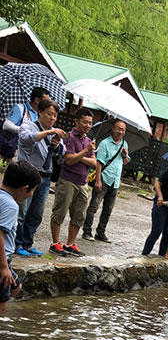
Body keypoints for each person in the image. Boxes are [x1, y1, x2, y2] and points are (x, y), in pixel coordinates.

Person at [15, 99, 66, 257]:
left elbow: (62, 152)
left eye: (55, 115)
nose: (52, 118)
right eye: (49, 114)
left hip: (45, 177)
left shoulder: (56, 133)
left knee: (36, 213)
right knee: (21, 211)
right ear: (40, 112)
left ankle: (28, 244)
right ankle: (16, 245)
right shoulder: (28, 125)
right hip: (27, 175)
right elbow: (26, 138)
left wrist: (57, 146)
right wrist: (49, 132)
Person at [49, 108, 96, 257]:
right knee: (60, 212)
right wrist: (85, 152)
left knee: (79, 215)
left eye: (90, 123)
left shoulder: (88, 140)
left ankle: (70, 244)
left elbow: (94, 163)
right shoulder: (68, 137)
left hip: (83, 183)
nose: (87, 125)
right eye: (84, 122)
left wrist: (79, 156)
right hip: (67, 180)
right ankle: (55, 243)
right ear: (76, 121)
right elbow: (69, 160)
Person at [0, 161, 41, 312]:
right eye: (32, 191)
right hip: (2, 260)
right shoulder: (11, 206)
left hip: (5, 260)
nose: (31, 195)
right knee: (2, 304)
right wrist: (4, 268)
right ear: (25, 189)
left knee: (16, 287)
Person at [82, 119, 129, 243]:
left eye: (123, 130)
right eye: (118, 128)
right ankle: (87, 231)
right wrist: (98, 180)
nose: (120, 131)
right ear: (113, 129)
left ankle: (100, 232)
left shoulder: (124, 144)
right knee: (94, 206)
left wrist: (125, 155)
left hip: (115, 181)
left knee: (108, 209)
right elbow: (99, 163)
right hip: (104, 178)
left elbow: (125, 162)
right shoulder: (105, 143)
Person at [1, 87, 51, 160]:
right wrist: (25, 130)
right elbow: (6, 125)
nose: (48, 104)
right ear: (37, 100)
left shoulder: (40, 114)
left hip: (30, 154)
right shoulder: (20, 108)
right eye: (46, 101)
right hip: (16, 151)